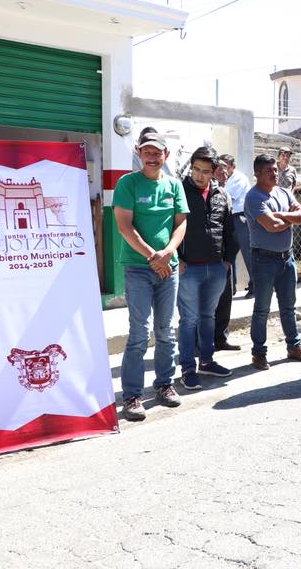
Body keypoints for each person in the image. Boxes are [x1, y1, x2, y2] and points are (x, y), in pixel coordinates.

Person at [112, 130, 189, 421]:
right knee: (139, 333)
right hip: (138, 267)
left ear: (165, 155)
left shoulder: (174, 185)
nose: (152, 157)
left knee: (166, 332)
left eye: (157, 152)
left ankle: (164, 385)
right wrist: (152, 256)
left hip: (167, 267)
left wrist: (167, 252)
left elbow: (180, 224)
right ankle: (132, 394)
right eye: (147, 152)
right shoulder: (127, 183)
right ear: (138, 153)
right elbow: (124, 226)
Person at [175, 146, 236, 390]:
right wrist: (177, 259)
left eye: (205, 171)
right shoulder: (178, 192)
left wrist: (228, 260)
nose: (199, 175)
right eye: (196, 170)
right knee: (188, 320)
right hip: (188, 268)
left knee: (208, 317)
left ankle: (207, 361)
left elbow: (230, 231)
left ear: (214, 172)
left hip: (216, 268)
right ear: (190, 168)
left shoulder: (222, 195)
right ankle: (188, 368)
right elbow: (170, 226)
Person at [245, 153, 301, 370]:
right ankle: (259, 353)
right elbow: (270, 226)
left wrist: (279, 216)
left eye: (275, 170)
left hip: (287, 258)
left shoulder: (283, 192)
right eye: (269, 171)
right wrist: (287, 217)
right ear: (257, 173)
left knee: (289, 307)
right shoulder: (254, 197)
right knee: (262, 309)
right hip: (263, 259)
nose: (274, 174)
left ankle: (294, 346)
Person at [212, 156, 239, 351]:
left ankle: (221, 338)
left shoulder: (226, 196)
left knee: (225, 299)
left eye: (225, 171)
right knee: (203, 305)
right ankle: (200, 343)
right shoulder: (196, 194)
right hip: (203, 260)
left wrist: (229, 259)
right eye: (219, 171)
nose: (224, 174)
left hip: (223, 259)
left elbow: (231, 230)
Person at [221, 153, 253, 298]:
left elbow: (226, 197)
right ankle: (231, 288)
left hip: (240, 218)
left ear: (233, 166)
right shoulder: (224, 179)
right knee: (228, 255)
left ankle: (256, 287)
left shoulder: (238, 178)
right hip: (228, 219)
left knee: (248, 253)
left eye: (226, 166)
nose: (223, 169)